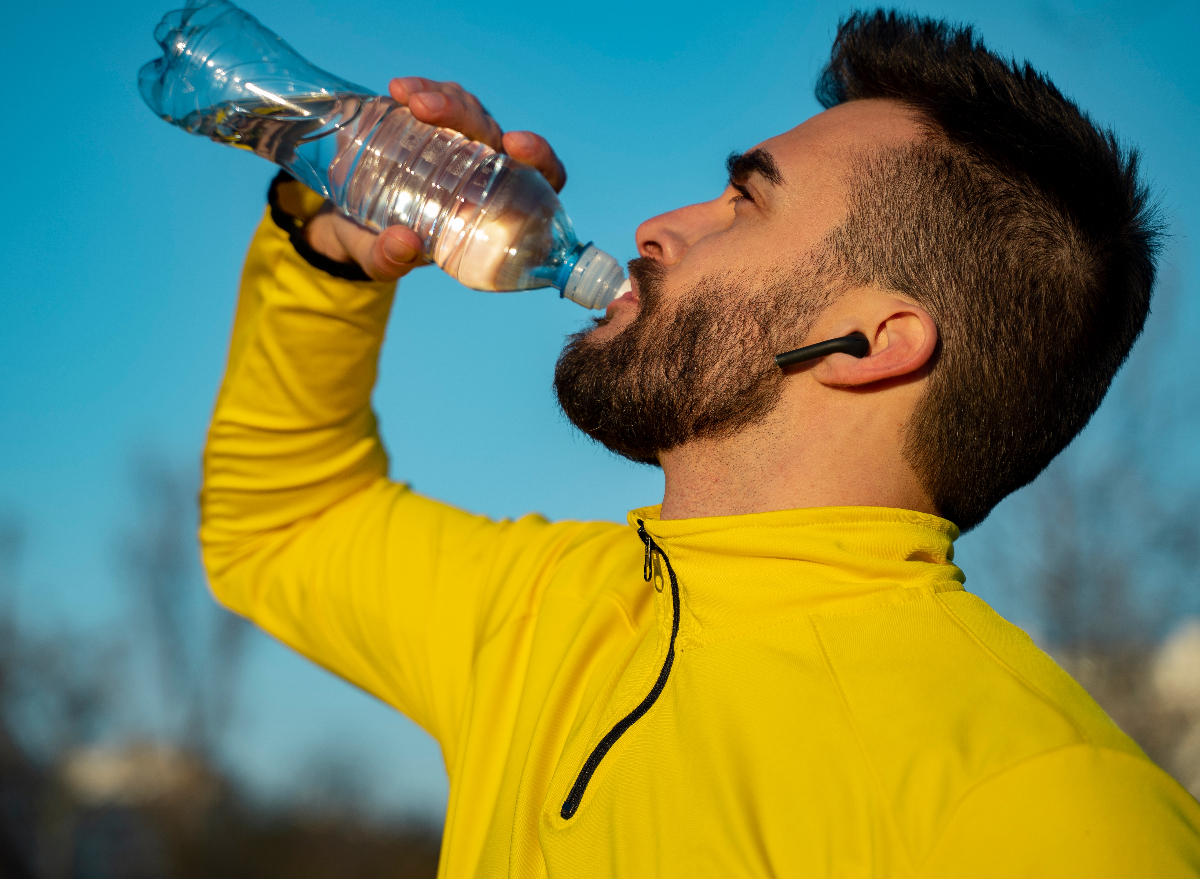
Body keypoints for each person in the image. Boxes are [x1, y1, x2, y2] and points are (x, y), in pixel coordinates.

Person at [199, 9, 1200, 877]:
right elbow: (281, 525)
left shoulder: (1044, 802)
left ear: (871, 343)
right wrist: (329, 249)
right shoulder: (548, 612)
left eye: (747, 200)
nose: (657, 226)